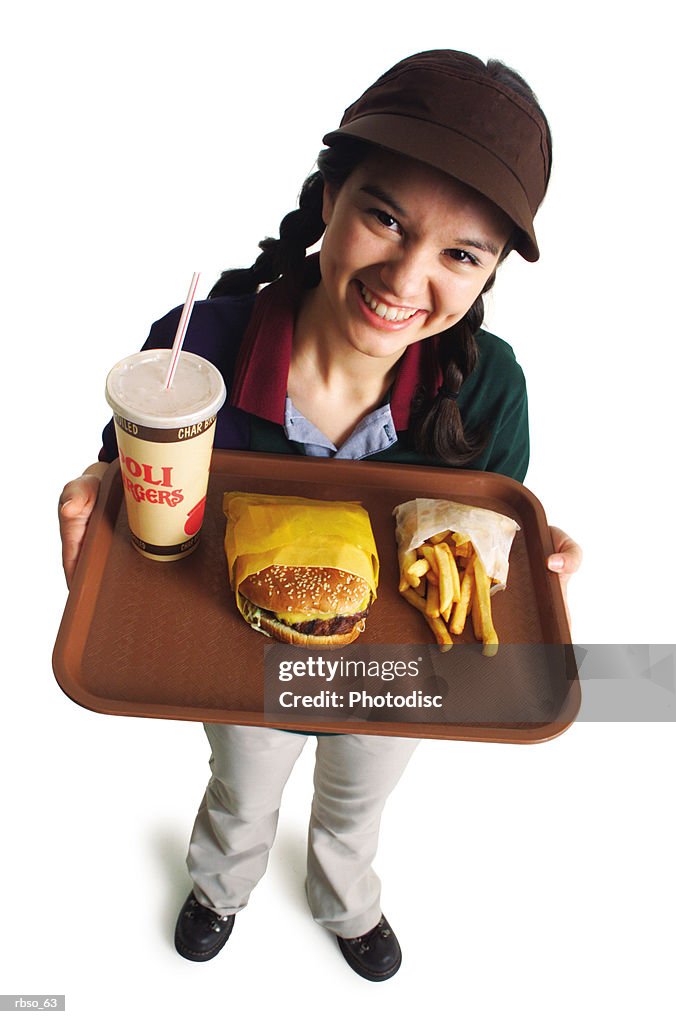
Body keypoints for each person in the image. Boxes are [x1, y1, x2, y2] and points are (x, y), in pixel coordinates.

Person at [58, 49, 582, 982]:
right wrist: (94, 498)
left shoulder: (492, 387)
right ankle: (221, 888)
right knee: (242, 788)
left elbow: (481, 544)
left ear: (490, 272)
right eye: (385, 216)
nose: (406, 278)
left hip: (398, 670)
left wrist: (519, 561)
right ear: (331, 192)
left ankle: (348, 903)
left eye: (461, 254)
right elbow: (133, 479)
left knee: (357, 803)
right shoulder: (200, 348)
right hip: (232, 653)